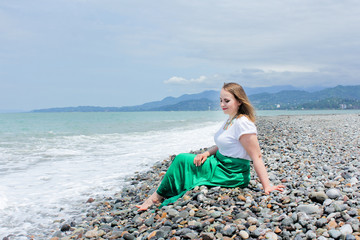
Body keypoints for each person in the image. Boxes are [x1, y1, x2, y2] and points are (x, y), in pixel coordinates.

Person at [136, 82, 285, 211]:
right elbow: (223, 146)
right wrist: (206, 154)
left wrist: (267, 186)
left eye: (226, 101)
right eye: (220, 100)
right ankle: (161, 194)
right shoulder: (230, 120)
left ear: (239, 101)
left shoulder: (243, 123)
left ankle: (155, 197)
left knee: (182, 159)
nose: (222, 104)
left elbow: (256, 156)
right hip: (219, 164)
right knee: (186, 160)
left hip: (231, 173)